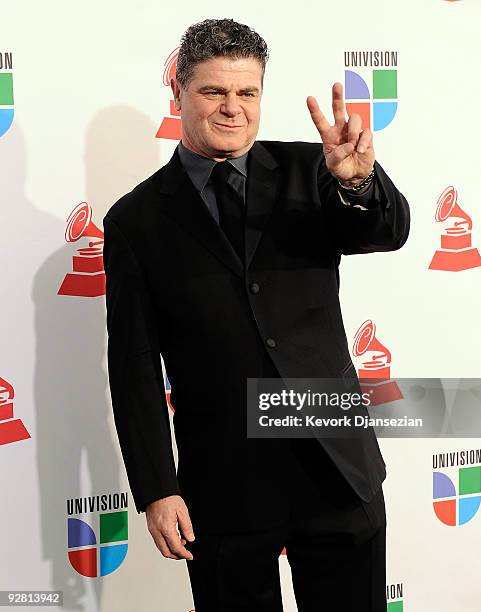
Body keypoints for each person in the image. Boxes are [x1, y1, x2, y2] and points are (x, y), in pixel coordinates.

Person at [103, 17, 410, 611]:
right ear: (178, 94)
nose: (232, 108)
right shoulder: (135, 219)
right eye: (213, 92)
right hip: (225, 481)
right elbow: (134, 363)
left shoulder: (315, 169)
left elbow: (386, 232)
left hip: (335, 465)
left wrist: (361, 182)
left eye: (247, 93)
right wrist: (156, 489)